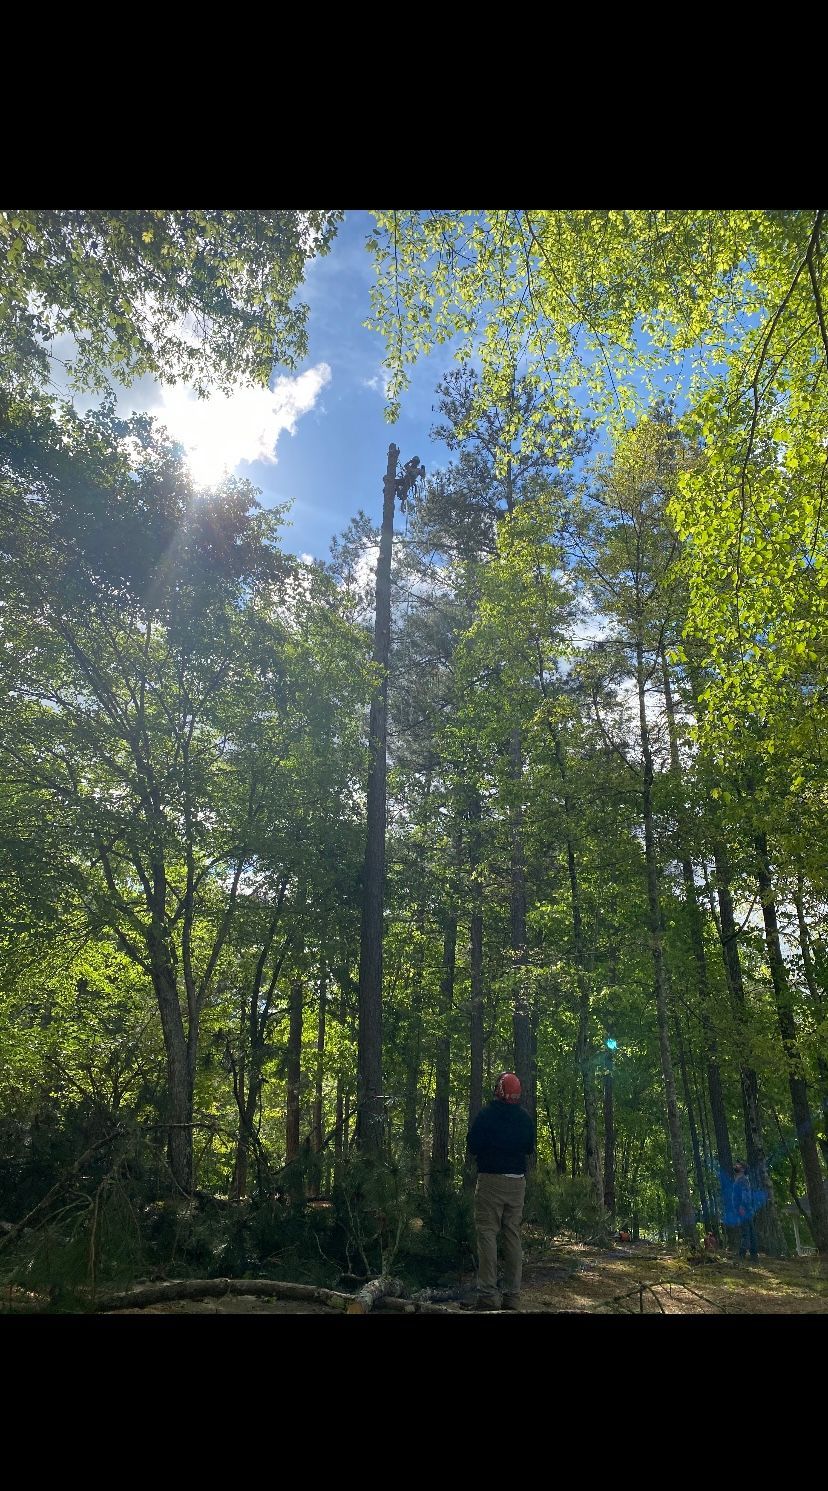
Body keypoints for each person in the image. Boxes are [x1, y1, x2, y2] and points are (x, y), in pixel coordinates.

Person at [464, 1072, 536, 1311]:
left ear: (499, 1090)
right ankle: (512, 1296)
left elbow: (472, 1145)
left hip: (491, 1181)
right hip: (517, 1182)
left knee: (487, 1234)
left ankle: (488, 1295)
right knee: (512, 1236)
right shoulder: (525, 1119)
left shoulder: (486, 1115)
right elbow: (528, 1148)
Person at [732, 1161, 759, 1261]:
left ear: (742, 1169)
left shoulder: (743, 1180)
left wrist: (742, 1207)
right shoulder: (739, 1180)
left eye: (738, 1164)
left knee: (745, 1232)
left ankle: (741, 1255)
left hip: (745, 1210)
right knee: (750, 1232)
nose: (736, 1165)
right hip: (745, 1210)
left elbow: (746, 1195)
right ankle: (754, 1256)